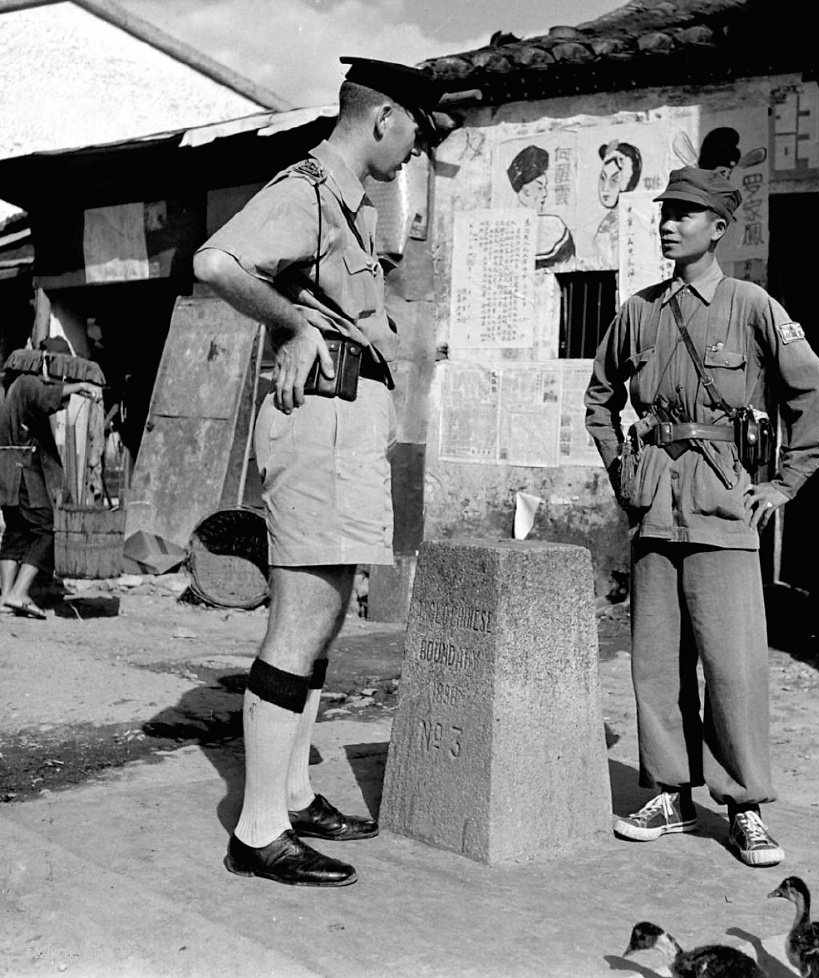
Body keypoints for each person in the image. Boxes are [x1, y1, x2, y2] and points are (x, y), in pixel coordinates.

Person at [193, 57, 443, 887]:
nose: (413, 154)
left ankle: (293, 794)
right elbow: (217, 263)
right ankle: (258, 830)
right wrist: (295, 330)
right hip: (321, 419)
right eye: (414, 133)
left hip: (346, 418)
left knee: (325, 617)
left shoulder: (348, 202)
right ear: (383, 119)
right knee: (301, 619)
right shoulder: (305, 187)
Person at [584, 167, 819, 867]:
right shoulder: (637, 311)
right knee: (656, 663)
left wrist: (786, 484)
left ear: (718, 227)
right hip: (654, 506)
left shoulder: (752, 305)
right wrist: (623, 473)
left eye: (685, 214)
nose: (669, 223)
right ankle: (668, 793)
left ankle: (746, 806)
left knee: (733, 667)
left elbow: (818, 395)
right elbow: (600, 399)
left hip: (726, 504)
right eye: (665, 212)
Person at [0, 337, 102, 619]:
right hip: (23, 469)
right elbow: (48, 397)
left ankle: (6, 595)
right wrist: (81, 386)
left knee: (16, 531)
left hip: (8, 469)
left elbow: (48, 398)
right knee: (47, 527)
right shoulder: (29, 384)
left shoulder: (15, 385)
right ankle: (18, 593)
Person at [506, 144, 576, 268]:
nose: (545, 194)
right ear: (523, 188)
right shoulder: (507, 230)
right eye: (539, 187)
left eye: (545, 187)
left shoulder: (555, 228)